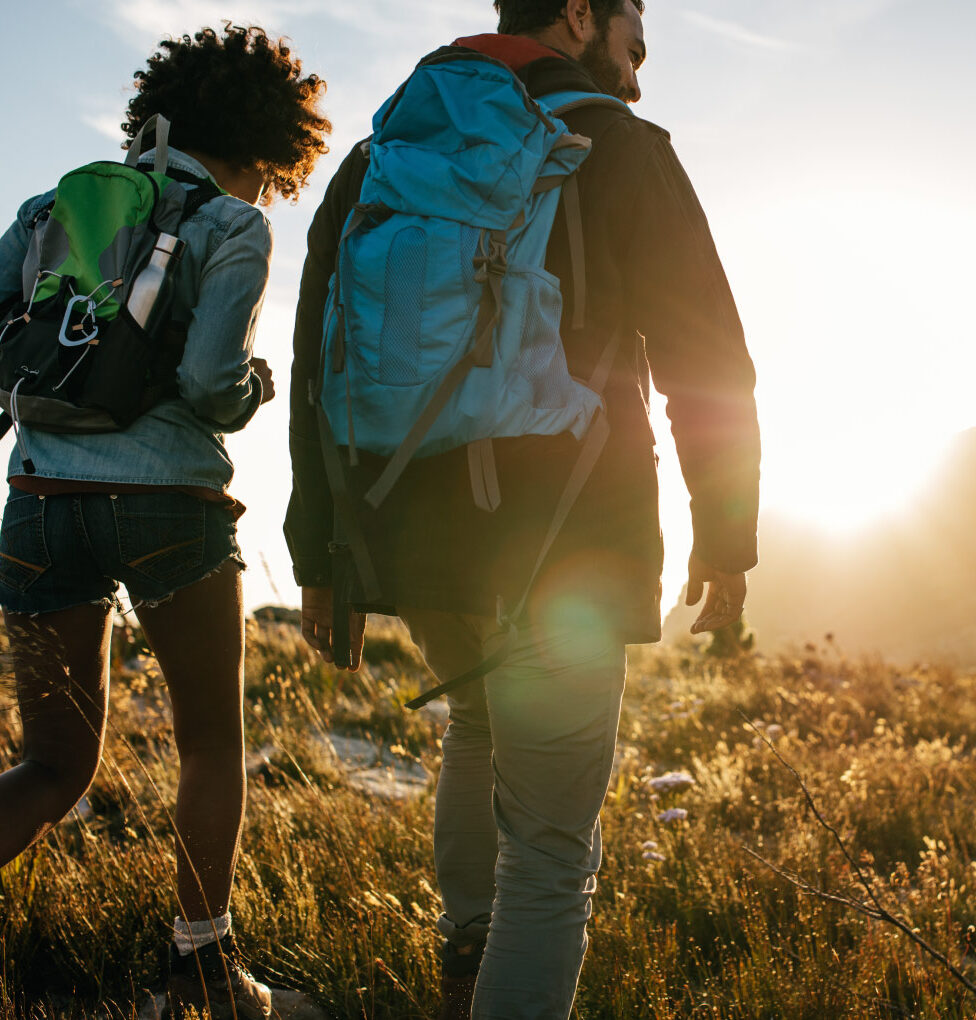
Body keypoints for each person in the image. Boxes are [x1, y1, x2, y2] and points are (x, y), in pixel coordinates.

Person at [283, 1, 760, 1017]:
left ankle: (464, 969)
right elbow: (706, 362)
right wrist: (726, 538)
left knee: (478, 726)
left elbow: (316, 361)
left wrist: (322, 554)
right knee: (550, 853)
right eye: (634, 15)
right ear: (580, 16)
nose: (644, 40)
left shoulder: (383, 154)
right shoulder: (618, 146)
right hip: (565, 540)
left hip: (405, 529)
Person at [0, 25, 329, 1020]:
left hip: (38, 506)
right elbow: (207, 384)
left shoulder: (53, 206)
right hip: (171, 510)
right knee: (209, 749)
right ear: (269, 141)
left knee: (56, 763)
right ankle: (199, 973)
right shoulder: (231, 223)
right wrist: (252, 390)